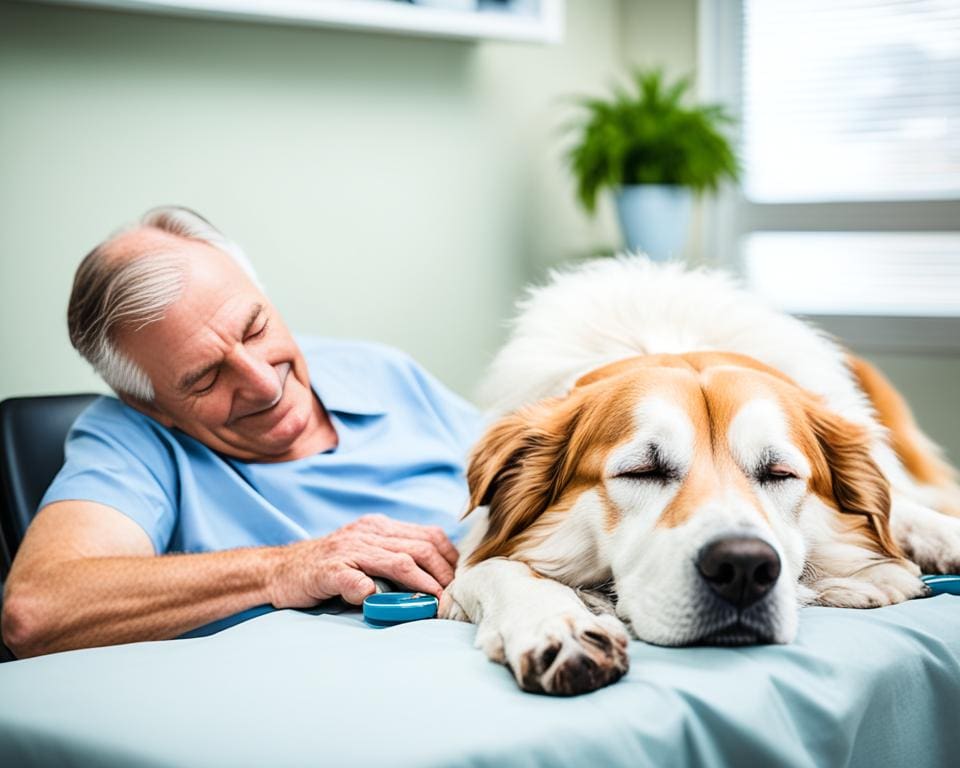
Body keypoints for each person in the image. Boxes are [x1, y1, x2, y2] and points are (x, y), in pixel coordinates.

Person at [1, 206, 482, 659]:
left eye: (255, 328)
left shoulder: (379, 370)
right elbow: (38, 612)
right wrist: (283, 568)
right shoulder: (131, 438)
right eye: (206, 377)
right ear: (150, 404)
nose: (262, 382)